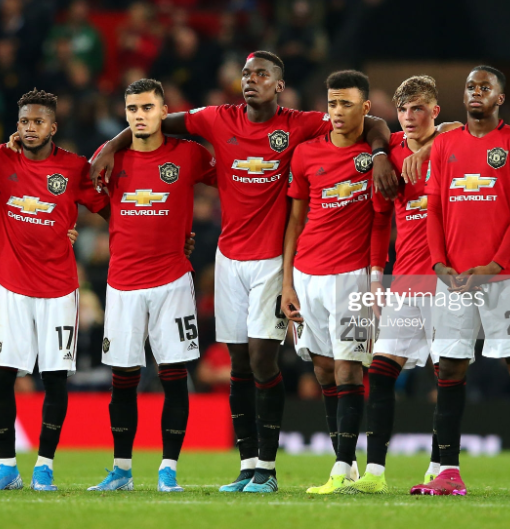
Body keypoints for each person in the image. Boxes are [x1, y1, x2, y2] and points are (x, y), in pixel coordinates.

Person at [89, 51, 396, 493]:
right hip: (229, 259)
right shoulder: (217, 119)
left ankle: (268, 470)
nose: (251, 80)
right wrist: (112, 146)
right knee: (237, 363)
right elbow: (154, 122)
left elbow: (373, 125)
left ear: (279, 84)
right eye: (247, 74)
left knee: (261, 357)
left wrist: (382, 153)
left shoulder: (302, 123)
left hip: (273, 261)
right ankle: (248, 463)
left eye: (262, 74)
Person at [361, 77, 510, 493]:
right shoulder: (398, 150)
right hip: (431, 277)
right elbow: (415, 210)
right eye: (403, 109)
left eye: (418, 109)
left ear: (435, 111)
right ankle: (421, 470)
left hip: (492, 275)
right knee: (431, 370)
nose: (409, 117)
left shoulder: (497, 142)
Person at [410, 66, 510, 497]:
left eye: (485, 87)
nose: (475, 93)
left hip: (504, 277)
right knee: (448, 367)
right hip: (454, 279)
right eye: (470, 87)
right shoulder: (444, 144)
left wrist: (495, 263)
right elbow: (433, 209)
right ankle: (448, 470)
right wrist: (438, 264)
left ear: (500, 98)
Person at [0, 89, 108, 492]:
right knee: (1, 377)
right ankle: (6, 466)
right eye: (23, 122)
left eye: (37, 121)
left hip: (58, 290)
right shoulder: (0, 160)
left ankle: (45, 466)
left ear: (53, 126)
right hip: (12, 289)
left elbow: (109, 206)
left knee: (54, 379)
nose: (29, 128)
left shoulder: (73, 167)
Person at [87, 79, 216, 493]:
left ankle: (168, 470)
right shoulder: (108, 159)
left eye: (147, 107)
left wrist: (180, 230)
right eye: (132, 109)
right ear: (124, 114)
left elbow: (234, 183)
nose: (139, 115)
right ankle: (121, 470)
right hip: (123, 283)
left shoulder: (189, 155)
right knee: (122, 378)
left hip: (172, 282)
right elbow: (102, 206)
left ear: (165, 112)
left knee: (173, 374)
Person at [282, 70, 392, 494]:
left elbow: (382, 216)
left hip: (352, 278)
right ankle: (342, 465)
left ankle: (343, 465)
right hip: (307, 276)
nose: (338, 112)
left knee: (349, 369)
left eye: (347, 103)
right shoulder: (306, 154)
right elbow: (294, 221)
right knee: (324, 369)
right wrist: (287, 283)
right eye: (332, 104)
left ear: (365, 107)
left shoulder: (379, 151)